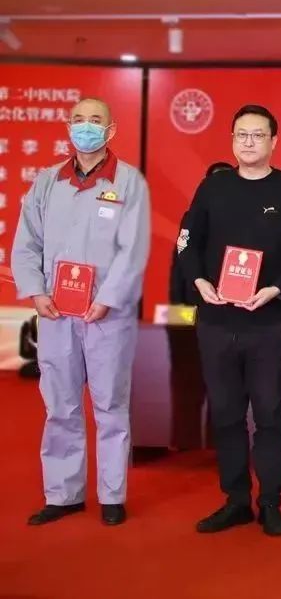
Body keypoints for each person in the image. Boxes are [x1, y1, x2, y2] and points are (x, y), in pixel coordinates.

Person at [177, 104, 281, 537]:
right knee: (226, 413)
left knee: (270, 413)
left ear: (274, 141)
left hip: (267, 321)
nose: (249, 142)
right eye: (242, 135)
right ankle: (235, 499)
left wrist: (276, 289)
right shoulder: (213, 187)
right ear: (232, 140)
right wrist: (199, 281)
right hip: (216, 320)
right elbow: (187, 242)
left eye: (258, 135)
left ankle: (270, 501)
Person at [14, 97, 150, 527]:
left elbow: (133, 249)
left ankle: (112, 494)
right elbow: (26, 243)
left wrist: (107, 298)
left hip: (107, 315)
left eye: (95, 120)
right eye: (78, 120)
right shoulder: (47, 182)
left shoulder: (129, 182)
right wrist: (36, 293)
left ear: (111, 130)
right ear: (67, 127)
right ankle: (63, 493)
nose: (85, 127)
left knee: (110, 405)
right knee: (60, 405)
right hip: (57, 313)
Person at [170, 161, 234, 305]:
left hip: (240, 300)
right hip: (199, 297)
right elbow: (180, 262)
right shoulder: (193, 217)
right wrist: (176, 311)